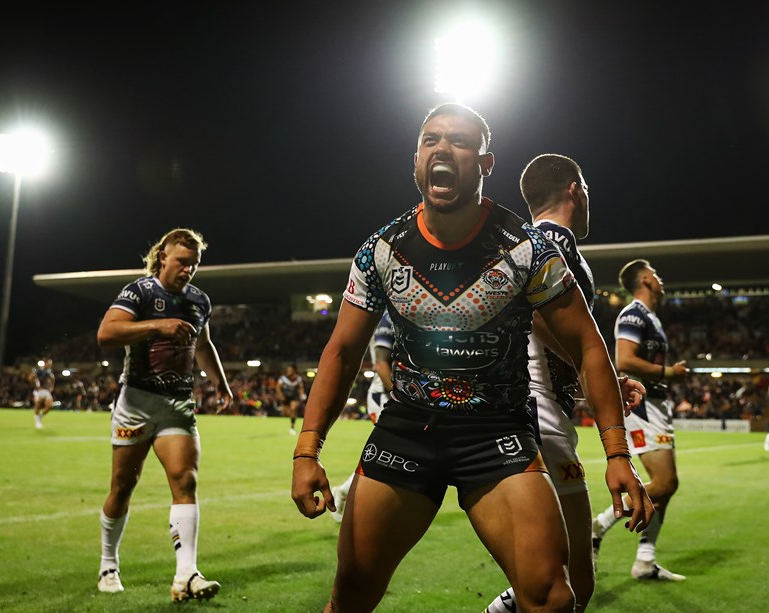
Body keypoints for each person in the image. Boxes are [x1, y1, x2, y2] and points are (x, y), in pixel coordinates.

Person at [290, 103, 654, 612]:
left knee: (553, 598)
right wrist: (307, 451)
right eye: (430, 140)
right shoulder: (382, 249)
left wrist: (617, 453)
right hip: (406, 433)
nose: (442, 149)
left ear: (485, 163)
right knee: (349, 596)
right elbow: (342, 351)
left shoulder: (527, 249)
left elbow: (588, 345)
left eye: (459, 141)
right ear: (416, 160)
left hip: (496, 437)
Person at [483, 154, 645, 612]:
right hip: (538, 420)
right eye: (587, 190)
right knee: (567, 585)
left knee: (564, 585)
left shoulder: (533, 241)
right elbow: (538, 317)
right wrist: (603, 373)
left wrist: (604, 377)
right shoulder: (553, 242)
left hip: (541, 417)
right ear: (576, 189)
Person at [95, 227, 232, 602]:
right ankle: (109, 564)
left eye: (195, 265)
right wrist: (158, 325)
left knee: (185, 482)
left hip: (177, 405)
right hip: (136, 403)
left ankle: (186, 575)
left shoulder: (199, 301)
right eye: (182, 262)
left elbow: (203, 344)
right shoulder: (139, 292)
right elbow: (106, 334)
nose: (188, 270)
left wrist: (219, 382)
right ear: (162, 258)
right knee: (123, 486)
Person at [592, 259, 688, 581]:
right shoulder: (633, 313)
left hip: (658, 405)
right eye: (656, 275)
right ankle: (598, 526)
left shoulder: (651, 318)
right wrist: (668, 373)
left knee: (666, 488)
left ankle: (645, 560)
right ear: (645, 279)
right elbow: (625, 360)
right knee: (664, 483)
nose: (660, 280)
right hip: (643, 405)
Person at [330, 311, 395, 523]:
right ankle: (345, 492)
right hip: (384, 396)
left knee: (395, 454)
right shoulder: (390, 316)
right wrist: (398, 396)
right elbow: (381, 364)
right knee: (389, 451)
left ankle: (347, 493)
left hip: (402, 395)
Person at [277, 364, 306, 435]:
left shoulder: (298, 379)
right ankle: (291, 418)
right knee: (285, 413)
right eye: (287, 370)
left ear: (293, 371)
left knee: (293, 409)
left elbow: (301, 387)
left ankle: (292, 427)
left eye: (290, 370)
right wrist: (280, 395)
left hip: (294, 396)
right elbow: (278, 387)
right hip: (285, 396)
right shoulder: (283, 378)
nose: (288, 371)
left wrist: (301, 395)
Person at [29, 357, 55, 429]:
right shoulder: (39, 370)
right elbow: (30, 378)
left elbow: (53, 379)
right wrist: (35, 386)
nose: (50, 365)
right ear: (45, 363)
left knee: (49, 406)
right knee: (38, 405)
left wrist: (52, 387)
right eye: (49, 363)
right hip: (38, 391)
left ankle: (39, 418)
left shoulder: (49, 371)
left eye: (51, 363)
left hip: (46, 390)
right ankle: (37, 422)